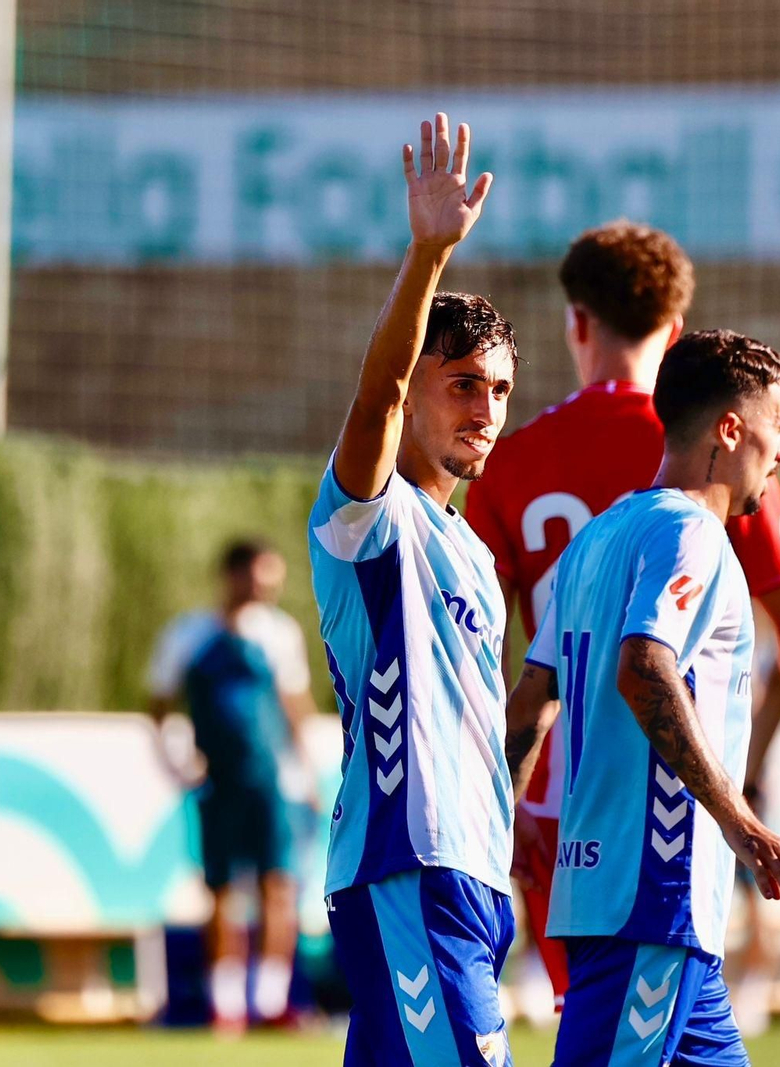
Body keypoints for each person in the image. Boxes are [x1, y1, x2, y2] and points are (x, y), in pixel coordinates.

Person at [462, 220, 780, 1011]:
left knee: (636, 1023)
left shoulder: (527, 471)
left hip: (556, 813)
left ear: (577, 321)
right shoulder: (705, 499)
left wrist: (495, 812)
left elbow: (489, 655)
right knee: (614, 1029)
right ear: (675, 332)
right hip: (656, 849)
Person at [506, 330, 780, 1065]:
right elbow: (645, 668)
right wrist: (741, 821)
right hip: (652, 890)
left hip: (611, 895)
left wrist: (501, 828)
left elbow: (531, 700)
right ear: (731, 429)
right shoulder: (693, 536)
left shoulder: (598, 536)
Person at [306, 114, 519, 1066]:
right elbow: (375, 401)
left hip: (474, 875)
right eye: (463, 384)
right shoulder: (370, 519)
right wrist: (428, 254)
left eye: (502, 391)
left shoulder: (471, 551)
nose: (485, 411)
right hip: (409, 866)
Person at [146, 538, 317, 1031]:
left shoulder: (280, 634)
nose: (266, 586)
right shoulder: (190, 634)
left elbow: (294, 709)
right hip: (219, 781)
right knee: (221, 889)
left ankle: (270, 1002)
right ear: (233, 574)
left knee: (278, 886)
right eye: (258, 574)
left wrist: (307, 774)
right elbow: (158, 707)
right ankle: (226, 1005)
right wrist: (176, 768)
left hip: (273, 781)